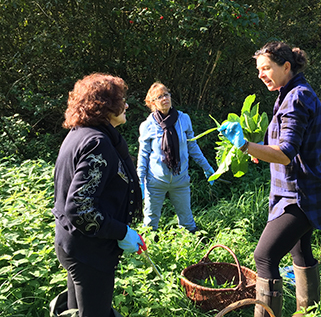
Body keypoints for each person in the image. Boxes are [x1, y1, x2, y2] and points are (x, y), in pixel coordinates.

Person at [218, 42, 321, 317]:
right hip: (305, 188)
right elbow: (288, 139)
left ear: (286, 66)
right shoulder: (288, 92)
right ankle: (309, 313)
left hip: (300, 194)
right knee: (301, 250)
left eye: (266, 68)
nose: (261, 75)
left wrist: (245, 146)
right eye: (258, 70)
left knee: (264, 256)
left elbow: (286, 153)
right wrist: (260, 149)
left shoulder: (296, 97)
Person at [52, 73, 143, 317]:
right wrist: (122, 232)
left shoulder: (79, 133)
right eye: (121, 101)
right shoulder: (97, 142)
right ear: (104, 106)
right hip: (89, 251)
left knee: (75, 310)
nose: (126, 106)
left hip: (73, 243)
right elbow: (80, 208)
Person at [137, 82, 215, 233]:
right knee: (150, 222)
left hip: (180, 179)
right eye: (159, 97)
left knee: (188, 222)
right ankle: (149, 246)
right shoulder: (148, 125)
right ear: (152, 103)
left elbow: (192, 146)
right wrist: (140, 180)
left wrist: (207, 167)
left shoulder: (184, 119)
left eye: (166, 94)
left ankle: (191, 244)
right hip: (155, 181)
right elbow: (143, 155)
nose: (164, 98)